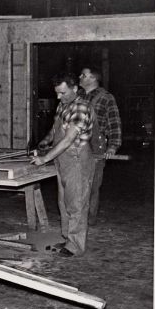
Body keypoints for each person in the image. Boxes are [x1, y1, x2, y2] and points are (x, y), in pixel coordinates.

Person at [32, 73, 95, 257]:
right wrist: (46, 140)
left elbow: (68, 140)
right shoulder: (63, 105)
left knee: (76, 204)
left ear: (75, 89)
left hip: (77, 161)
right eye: (57, 93)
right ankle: (68, 239)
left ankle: (75, 246)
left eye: (63, 93)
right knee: (64, 202)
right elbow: (55, 129)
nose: (59, 97)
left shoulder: (81, 107)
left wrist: (44, 159)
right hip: (62, 160)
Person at [79, 66, 121, 225]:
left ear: (93, 79)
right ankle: (76, 218)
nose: (80, 77)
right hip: (75, 146)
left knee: (92, 186)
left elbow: (114, 123)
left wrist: (113, 146)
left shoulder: (106, 98)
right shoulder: (77, 96)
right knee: (76, 185)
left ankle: (88, 220)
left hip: (95, 148)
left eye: (83, 75)